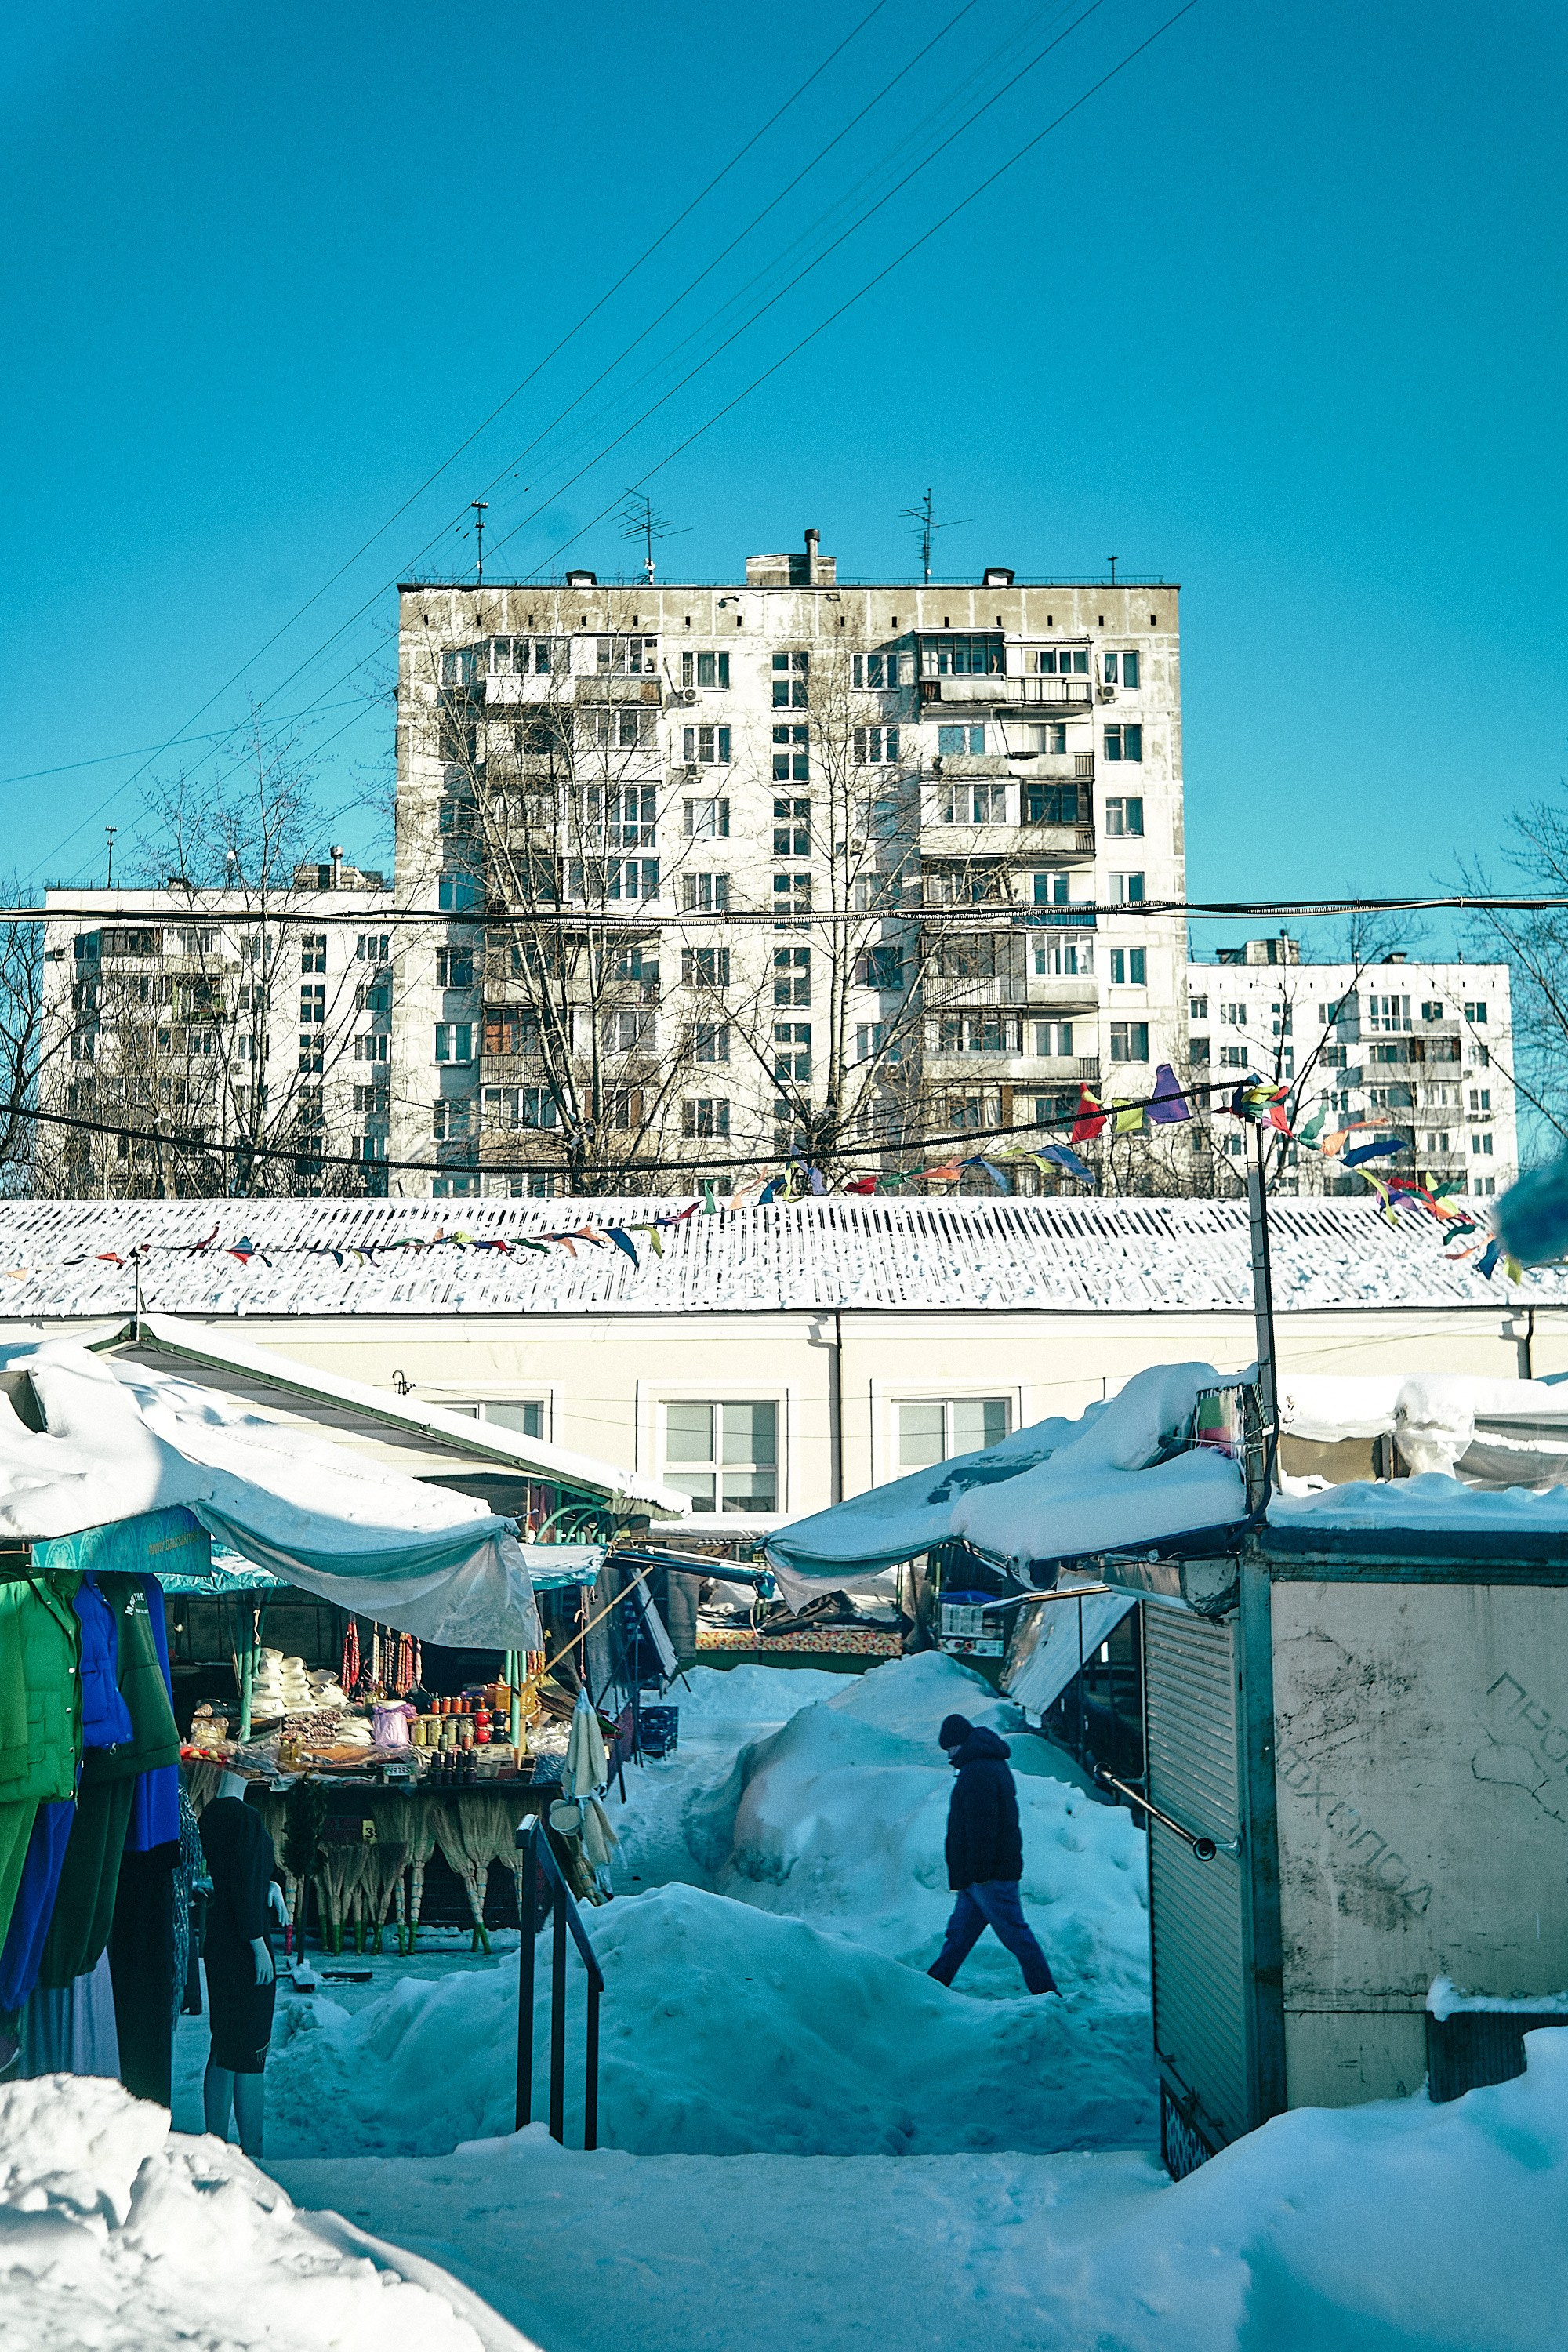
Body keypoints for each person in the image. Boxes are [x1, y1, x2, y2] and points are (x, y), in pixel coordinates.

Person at [927, 1714, 1058, 1996]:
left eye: (949, 1748)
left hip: (988, 1876)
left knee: (1016, 1936)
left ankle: (1047, 1993)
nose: (948, 1755)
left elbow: (982, 1827)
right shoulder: (986, 1767)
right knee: (959, 1936)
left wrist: (979, 1874)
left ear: (959, 1743)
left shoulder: (978, 1773)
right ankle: (933, 1985)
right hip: (978, 1875)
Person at [198, 1775, 285, 2158]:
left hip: (220, 1943)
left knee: (224, 2043)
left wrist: (270, 1886)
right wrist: (257, 1944)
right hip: (245, 1945)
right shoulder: (246, 1819)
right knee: (251, 2050)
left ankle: (215, 2143)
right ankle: (254, 2152)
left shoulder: (211, 1816)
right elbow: (243, 1880)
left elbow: (231, 1878)